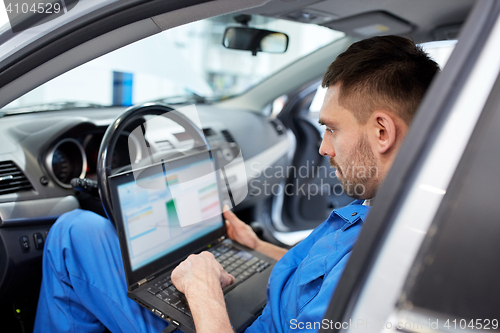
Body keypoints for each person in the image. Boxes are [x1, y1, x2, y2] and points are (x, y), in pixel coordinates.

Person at [34, 35, 439, 333]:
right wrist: (254, 246)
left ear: (382, 131)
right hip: (253, 310)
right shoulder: (382, 209)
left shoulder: (381, 260)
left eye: (332, 129)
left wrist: (203, 289)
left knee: (74, 233)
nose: (322, 147)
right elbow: (311, 281)